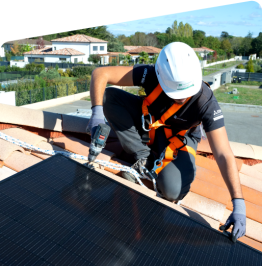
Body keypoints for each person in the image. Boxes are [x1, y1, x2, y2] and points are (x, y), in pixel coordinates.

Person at [87, 42, 246, 243]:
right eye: (176, 95)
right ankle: (143, 157)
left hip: (178, 139)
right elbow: (100, 74)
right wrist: (96, 114)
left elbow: (223, 153)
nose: (183, 98)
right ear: (161, 78)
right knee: (110, 97)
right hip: (151, 123)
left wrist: (238, 203)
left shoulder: (206, 102)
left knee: (172, 190)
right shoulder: (152, 74)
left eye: (186, 95)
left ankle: (155, 160)